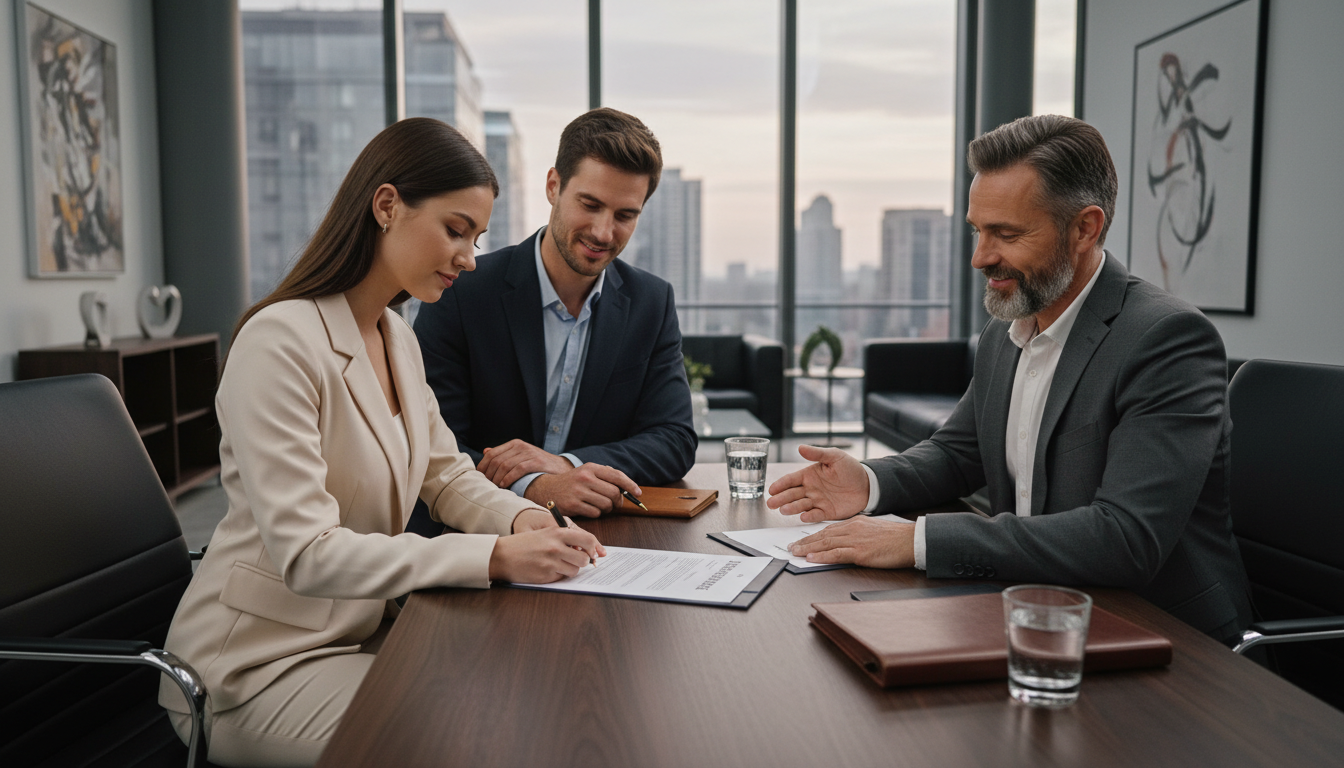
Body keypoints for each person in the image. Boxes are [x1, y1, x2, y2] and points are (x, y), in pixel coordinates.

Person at [158, 118, 604, 768]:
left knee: (520, 689)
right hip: (250, 671)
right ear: (387, 205)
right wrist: (496, 558)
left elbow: (447, 476)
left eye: (477, 238)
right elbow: (308, 555)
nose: (470, 258)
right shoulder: (279, 342)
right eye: (455, 230)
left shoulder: (397, 339)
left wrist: (529, 517)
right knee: (479, 735)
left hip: (360, 633)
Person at [768, 115, 1252, 643]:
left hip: (1165, 640)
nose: (980, 257)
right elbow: (958, 452)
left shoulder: (1167, 340)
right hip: (1033, 610)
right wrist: (870, 481)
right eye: (979, 230)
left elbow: (1125, 537)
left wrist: (917, 540)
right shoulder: (1010, 327)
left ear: (1085, 228)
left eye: (1007, 234)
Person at [410, 107, 696, 522]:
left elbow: (674, 439)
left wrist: (567, 464)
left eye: (624, 215)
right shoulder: (462, 289)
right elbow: (431, 442)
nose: (603, 232)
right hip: (475, 535)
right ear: (553, 186)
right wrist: (537, 487)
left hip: (604, 540)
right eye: (590, 204)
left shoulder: (651, 302)